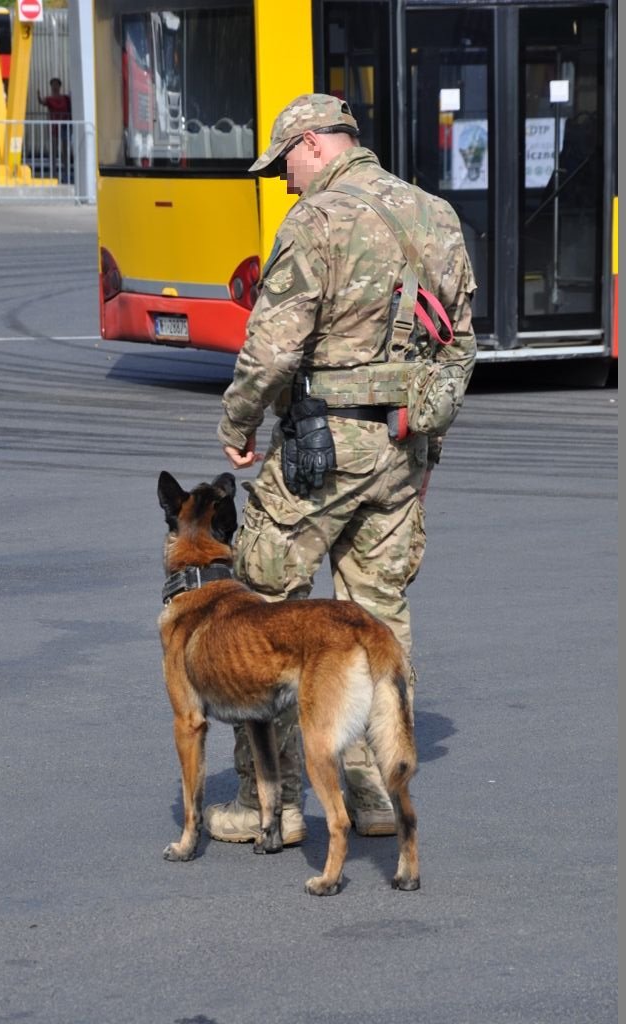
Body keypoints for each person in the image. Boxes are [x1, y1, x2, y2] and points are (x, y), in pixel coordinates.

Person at [205, 93, 477, 846]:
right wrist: (423, 433)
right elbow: (457, 342)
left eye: (285, 161)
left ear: (317, 145)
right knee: (376, 614)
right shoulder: (435, 215)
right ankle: (377, 793)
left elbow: (272, 351)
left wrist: (236, 424)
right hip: (400, 447)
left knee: (262, 609)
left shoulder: (317, 221)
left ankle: (278, 803)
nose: (285, 180)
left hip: (320, 451)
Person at [38, 78, 72, 181]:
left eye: (56, 84)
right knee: (54, 151)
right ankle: (54, 174)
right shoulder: (49, 99)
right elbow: (41, 102)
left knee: (65, 151)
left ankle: (66, 173)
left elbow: (70, 109)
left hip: (64, 126)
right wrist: (38, 95)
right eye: (53, 85)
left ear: (59, 86)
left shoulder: (66, 98)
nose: (55, 87)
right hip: (54, 127)